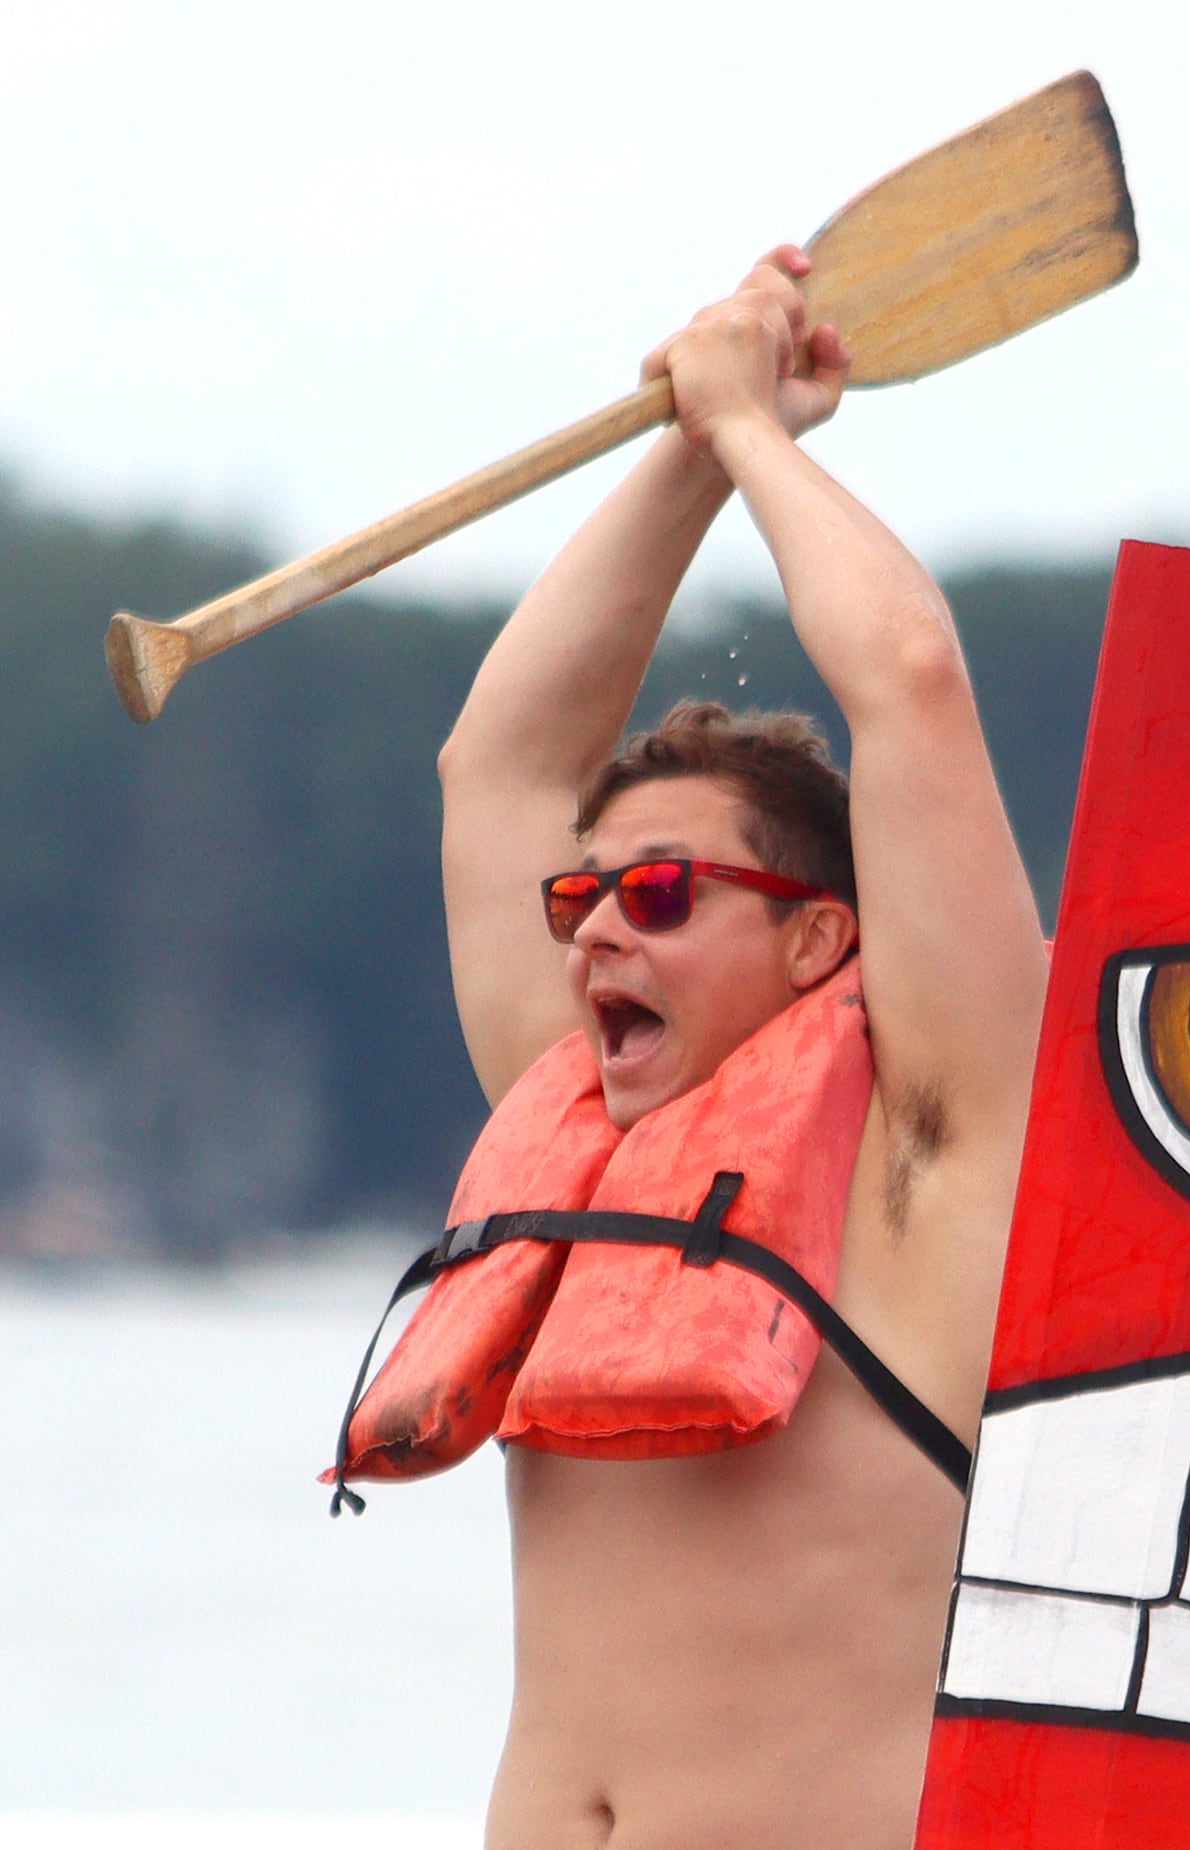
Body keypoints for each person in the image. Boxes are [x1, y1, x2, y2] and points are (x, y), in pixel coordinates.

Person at [436, 246, 1048, 1849]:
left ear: (818, 934)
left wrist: (763, 442)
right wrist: (686, 446)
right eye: (584, 897)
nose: (592, 935)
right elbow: (497, 767)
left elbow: (909, 683)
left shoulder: (934, 1168)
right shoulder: (566, 1123)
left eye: (657, 892)